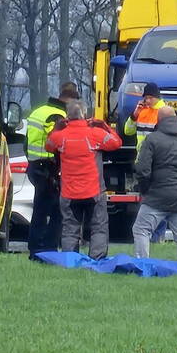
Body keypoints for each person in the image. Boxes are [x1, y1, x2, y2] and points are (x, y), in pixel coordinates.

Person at [45, 100, 122, 259]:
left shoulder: (60, 136)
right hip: (94, 191)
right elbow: (116, 143)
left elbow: (48, 145)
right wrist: (105, 126)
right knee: (98, 227)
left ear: (67, 116)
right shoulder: (95, 134)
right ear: (84, 114)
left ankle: (70, 260)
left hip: (69, 193)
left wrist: (56, 128)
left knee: (70, 229)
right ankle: (97, 260)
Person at [132, 106, 177, 263]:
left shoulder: (152, 139)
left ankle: (142, 264)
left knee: (141, 229)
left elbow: (142, 169)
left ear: (159, 119)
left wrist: (145, 190)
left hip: (156, 195)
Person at [25, 82, 82, 259]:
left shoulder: (39, 111)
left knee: (40, 209)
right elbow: (57, 141)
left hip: (35, 166)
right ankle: (48, 248)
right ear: (71, 100)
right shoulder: (59, 116)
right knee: (58, 210)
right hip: (49, 168)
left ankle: (35, 248)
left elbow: (27, 142)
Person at [123, 82, 167, 149]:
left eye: (151, 98)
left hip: (157, 154)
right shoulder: (141, 110)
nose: (148, 101)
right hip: (142, 153)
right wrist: (135, 115)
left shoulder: (165, 112)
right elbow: (128, 131)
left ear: (157, 98)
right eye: (146, 98)